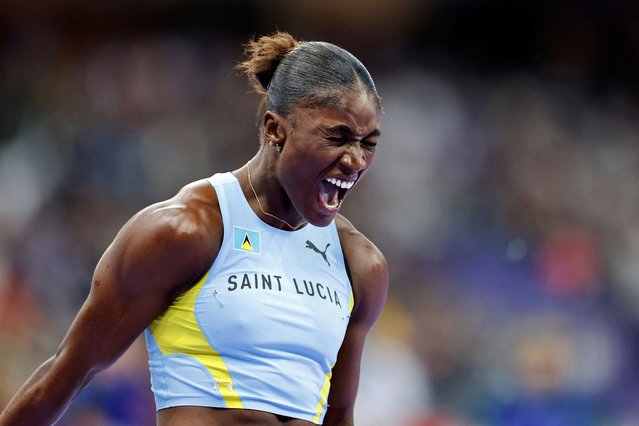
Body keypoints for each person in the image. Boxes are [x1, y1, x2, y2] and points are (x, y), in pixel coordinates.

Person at [0, 31, 388, 426]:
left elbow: (339, 417)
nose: (355, 160)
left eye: (368, 143)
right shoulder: (183, 232)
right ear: (275, 129)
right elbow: (67, 374)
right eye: (337, 137)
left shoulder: (360, 265)